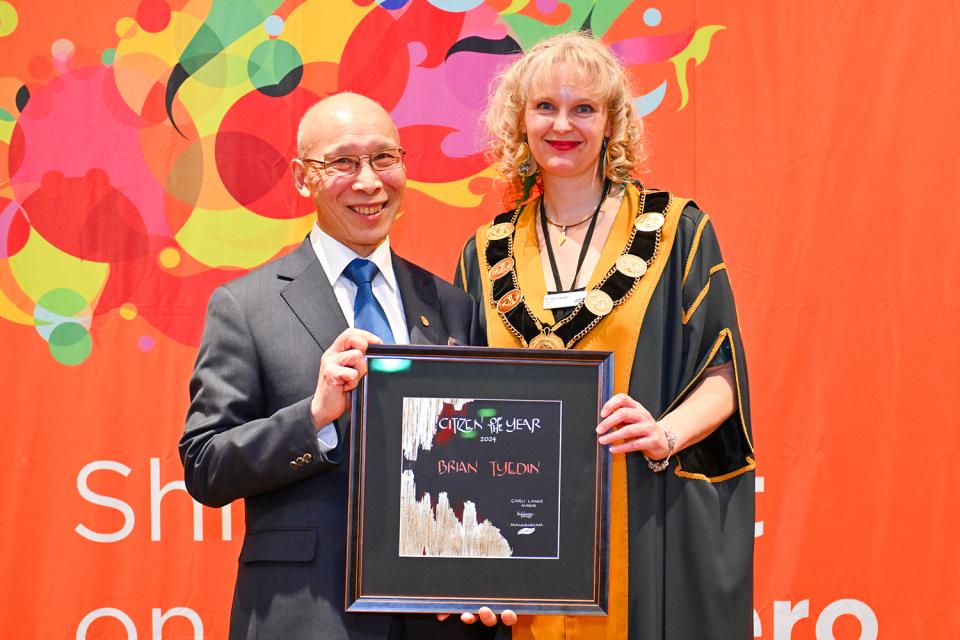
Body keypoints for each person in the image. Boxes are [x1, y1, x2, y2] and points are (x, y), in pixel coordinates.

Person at [455, 32, 755, 640]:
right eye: (545, 107)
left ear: (614, 122)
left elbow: (722, 375)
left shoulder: (677, 231)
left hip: (643, 515)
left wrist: (664, 433)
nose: (563, 124)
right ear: (519, 121)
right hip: (517, 542)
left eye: (584, 108)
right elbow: (459, 397)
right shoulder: (484, 252)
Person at [181, 93, 509, 639]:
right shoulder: (247, 305)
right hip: (306, 614)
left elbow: (480, 461)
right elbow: (205, 465)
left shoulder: (453, 306)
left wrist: (491, 569)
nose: (369, 182)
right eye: (342, 162)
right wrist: (313, 417)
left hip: (438, 620)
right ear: (302, 177)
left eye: (385, 158)